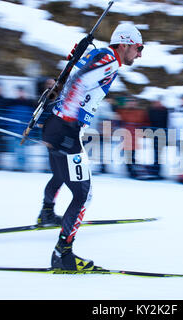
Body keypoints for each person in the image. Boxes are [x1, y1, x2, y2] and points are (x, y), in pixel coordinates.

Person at [38, 23, 143, 271]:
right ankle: (63, 254)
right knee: (84, 194)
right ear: (125, 43)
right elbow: (78, 81)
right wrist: (69, 122)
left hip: (57, 125)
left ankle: (46, 214)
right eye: (139, 48)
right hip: (66, 128)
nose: (139, 54)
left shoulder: (101, 56)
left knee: (63, 177)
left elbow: (73, 71)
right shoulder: (109, 59)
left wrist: (75, 56)